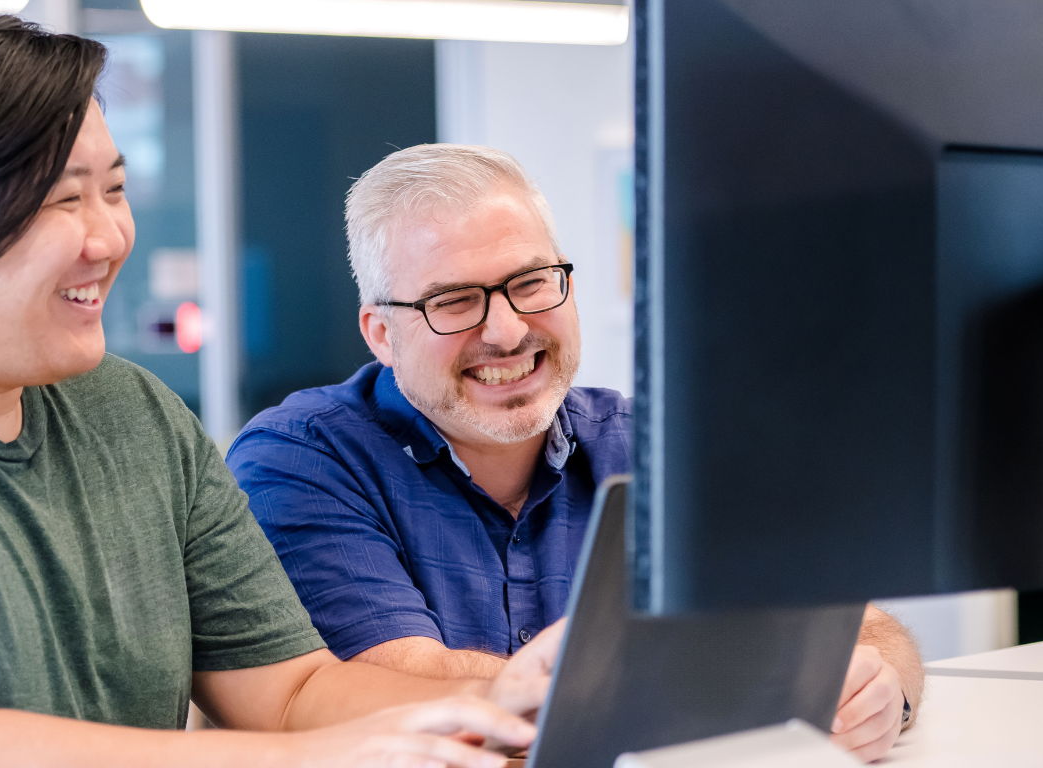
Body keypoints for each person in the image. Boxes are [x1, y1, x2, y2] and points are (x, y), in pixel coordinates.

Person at [0, 16, 563, 768]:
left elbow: (290, 693)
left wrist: (507, 699)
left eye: (113, 191)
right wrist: (324, 758)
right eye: (63, 199)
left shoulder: (134, 415)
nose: (109, 237)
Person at [225, 144, 926, 763]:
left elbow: (855, 623)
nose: (507, 331)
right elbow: (398, 683)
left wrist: (882, 688)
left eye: (531, 283)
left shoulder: (654, 442)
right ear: (381, 333)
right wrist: (724, 693)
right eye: (455, 301)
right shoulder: (302, 461)